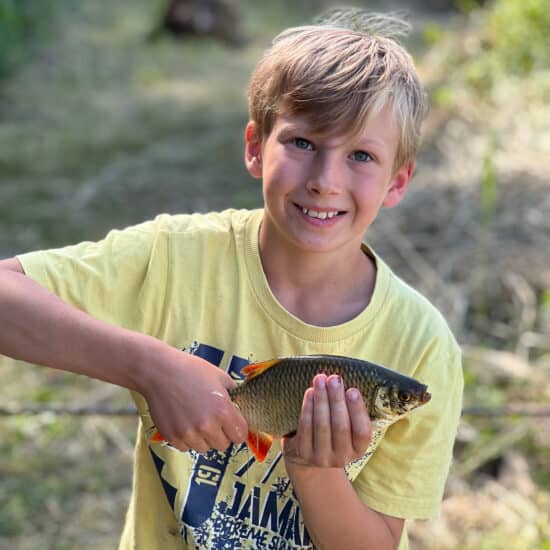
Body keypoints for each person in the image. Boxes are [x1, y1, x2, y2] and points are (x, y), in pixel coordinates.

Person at [0, 8, 463, 550]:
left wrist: (315, 472)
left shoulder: (422, 346)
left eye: (361, 155)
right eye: (303, 144)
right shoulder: (177, 255)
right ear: (253, 146)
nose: (325, 181)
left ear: (397, 181)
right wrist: (151, 367)